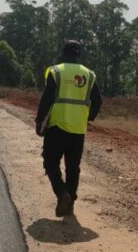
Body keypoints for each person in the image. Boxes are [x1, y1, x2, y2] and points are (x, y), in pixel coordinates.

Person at [35, 40, 102, 217]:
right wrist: (87, 118)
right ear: (78, 54)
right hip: (78, 129)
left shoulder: (56, 71)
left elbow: (46, 99)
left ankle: (61, 193)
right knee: (73, 167)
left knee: (50, 162)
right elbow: (98, 101)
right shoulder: (89, 74)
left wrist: (39, 121)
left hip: (57, 125)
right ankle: (70, 202)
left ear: (63, 53)